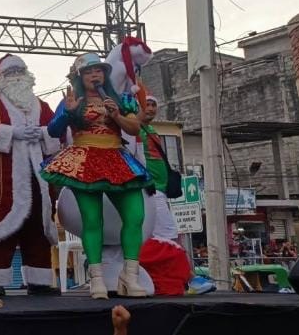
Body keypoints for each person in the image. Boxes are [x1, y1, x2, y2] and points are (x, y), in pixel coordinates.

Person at [42, 53, 150, 299]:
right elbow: (53, 130)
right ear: (80, 77)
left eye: (99, 71)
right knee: (92, 220)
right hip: (84, 158)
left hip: (116, 157)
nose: (95, 75)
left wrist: (117, 115)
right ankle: (97, 278)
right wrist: (68, 113)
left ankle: (129, 276)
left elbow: (135, 128)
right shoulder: (72, 100)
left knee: (136, 215)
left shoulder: (120, 99)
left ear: (105, 75)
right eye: (89, 72)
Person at [0, 54, 61, 297]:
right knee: (2, 230)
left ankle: (39, 281)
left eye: (19, 72)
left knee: (38, 230)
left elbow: (55, 131)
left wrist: (42, 133)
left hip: (38, 180)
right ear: (0, 78)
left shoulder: (41, 106)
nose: (16, 77)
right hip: (5, 183)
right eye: (10, 73)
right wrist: (14, 133)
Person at [135, 97, 192, 297]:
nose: (151, 109)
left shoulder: (151, 130)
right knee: (167, 235)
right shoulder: (134, 130)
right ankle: (178, 278)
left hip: (159, 190)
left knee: (163, 235)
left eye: (153, 105)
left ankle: (169, 278)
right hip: (149, 190)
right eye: (146, 105)